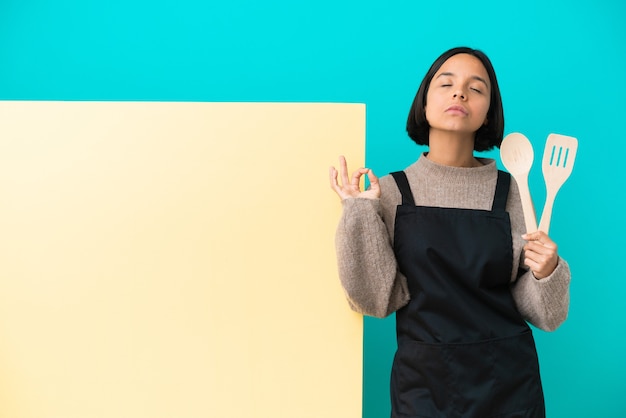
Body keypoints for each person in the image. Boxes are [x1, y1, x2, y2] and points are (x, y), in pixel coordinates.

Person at [328, 47, 571, 418]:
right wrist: (359, 212)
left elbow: (544, 316)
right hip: (424, 387)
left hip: (507, 384)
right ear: (424, 103)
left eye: (477, 89)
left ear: (489, 112)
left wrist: (547, 271)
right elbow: (375, 301)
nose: (460, 93)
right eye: (447, 84)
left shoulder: (514, 191)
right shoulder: (391, 192)